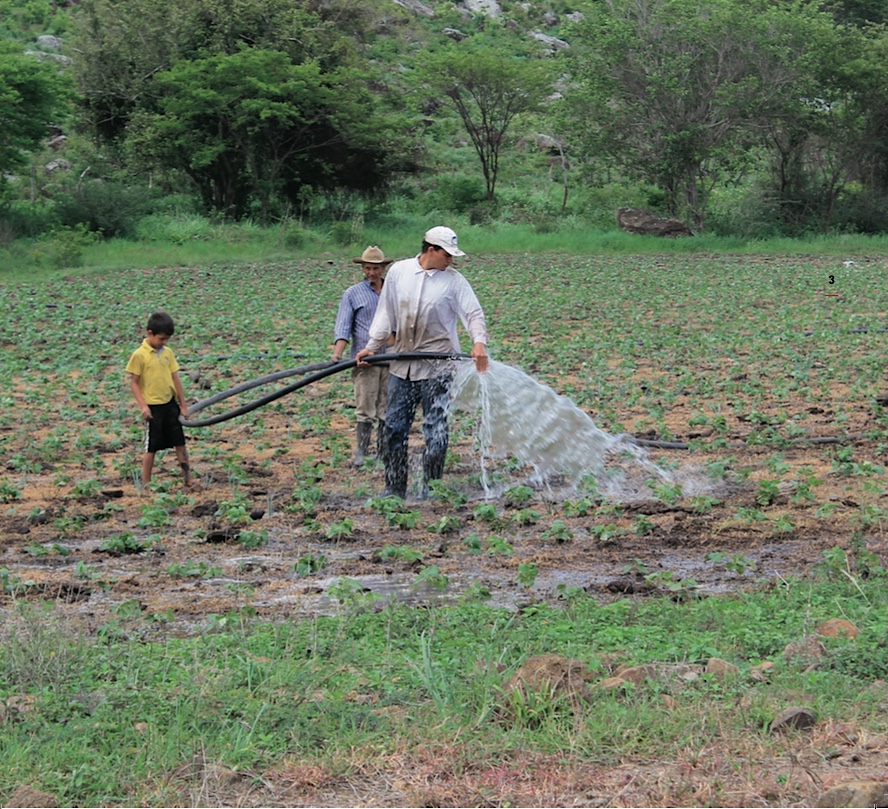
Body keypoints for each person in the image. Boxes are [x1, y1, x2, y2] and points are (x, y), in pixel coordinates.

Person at [356, 226, 489, 499]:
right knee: (393, 427)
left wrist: (479, 343)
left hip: (437, 367)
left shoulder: (454, 281)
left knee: (435, 429)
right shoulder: (399, 272)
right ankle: (394, 488)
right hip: (401, 365)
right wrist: (372, 346)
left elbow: (473, 313)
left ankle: (431, 489)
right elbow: (386, 313)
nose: (451, 260)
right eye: (447, 255)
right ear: (431, 250)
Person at [332, 245, 395, 466]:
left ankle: (384, 452)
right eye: (368, 268)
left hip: (392, 360)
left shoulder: (393, 292)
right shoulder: (352, 294)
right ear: (363, 268)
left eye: (376, 268)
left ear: (383, 268)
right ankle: (362, 452)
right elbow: (343, 327)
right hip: (365, 361)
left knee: (386, 408)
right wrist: (337, 355)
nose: (371, 272)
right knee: (366, 407)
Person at [126, 311, 193, 490]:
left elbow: (175, 378)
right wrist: (143, 406)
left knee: (180, 442)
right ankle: (146, 484)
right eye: (161, 339)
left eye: (167, 340)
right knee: (151, 447)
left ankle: (188, 480)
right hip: (153, 408)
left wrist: (184, 406)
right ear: (150, 333)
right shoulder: (139, 355)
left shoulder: (167, 353)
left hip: (170, 405)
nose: (164, 343)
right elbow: (134, 383)